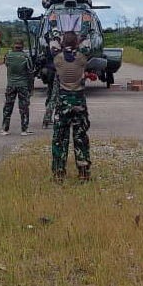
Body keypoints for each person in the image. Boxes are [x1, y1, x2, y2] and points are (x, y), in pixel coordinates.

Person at [51, 32, 92, 181]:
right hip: (79, 102)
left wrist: (55, 31)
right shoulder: (82, 57)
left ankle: (58, 173)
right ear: (77, 43)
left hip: (63, 102)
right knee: (80, 137)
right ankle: (83, 173)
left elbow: (53, 44)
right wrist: (84, 31)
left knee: (60, 139)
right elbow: (87, 44)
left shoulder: (57, 58)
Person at [0, 39, 34, 136]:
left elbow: (7, 65)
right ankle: (24, 129)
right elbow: (30, 73)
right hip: (23, 85)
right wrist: (31, 88)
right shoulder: (26, 57)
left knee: (8, 107)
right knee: (24, 108)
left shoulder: (8, 56)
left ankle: (5, 129)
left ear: (13, 46)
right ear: (22, 46)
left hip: (11, 84)